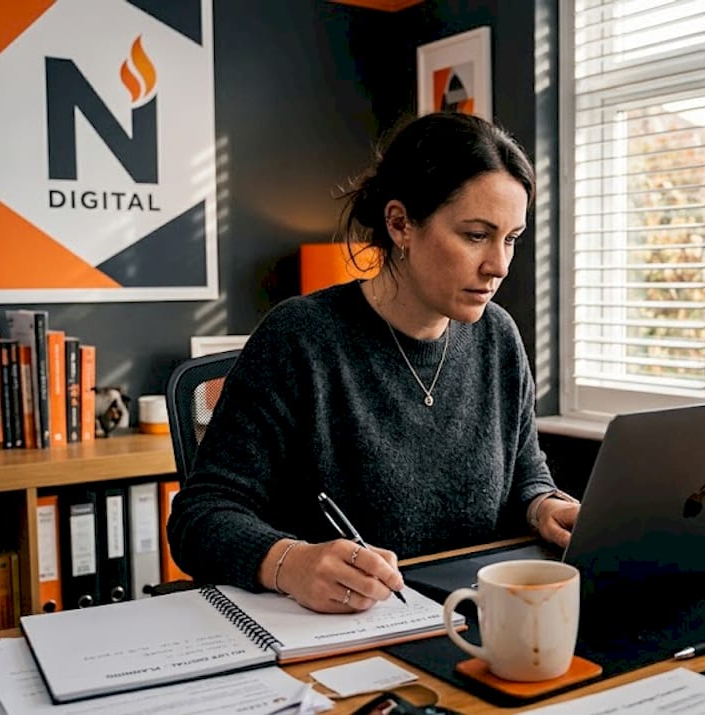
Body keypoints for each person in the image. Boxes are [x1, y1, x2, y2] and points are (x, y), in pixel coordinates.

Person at [168, 112, 581, 614]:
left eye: (511, 238)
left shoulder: (497, 336)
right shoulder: (300, 339)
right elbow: (200, 515)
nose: (499, 265)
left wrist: (544, 506)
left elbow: (524, 476)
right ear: (400, 224)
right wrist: (290, 562)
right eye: (476, 235)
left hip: (471, 620)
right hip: (340, 632)